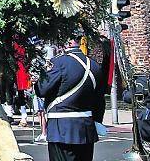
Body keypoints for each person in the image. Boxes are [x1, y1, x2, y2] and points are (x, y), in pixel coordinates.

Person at [34, 33, 102, 161]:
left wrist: (40, 78)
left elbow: (41, 90)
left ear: (68, 42)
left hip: (61, 127)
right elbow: (99, 99)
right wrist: (97, 121)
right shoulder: (94, 65)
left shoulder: (59, 62)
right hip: (86, 128)